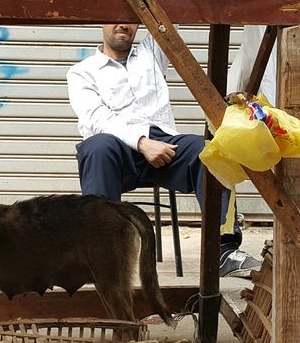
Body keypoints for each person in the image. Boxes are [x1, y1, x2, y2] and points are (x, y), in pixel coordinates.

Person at [67, 23, 262, 278]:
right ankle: (100, 254)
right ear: (100, 22)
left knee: (213, 150)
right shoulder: (82, 72)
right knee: (97, 146)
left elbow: (167, 14)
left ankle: (223, 248)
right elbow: (96, 118)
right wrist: (141, 142)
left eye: (129, 18)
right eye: (114, 17)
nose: (123, 24)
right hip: (116, 150)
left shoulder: (150, 52)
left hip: (165, 143)